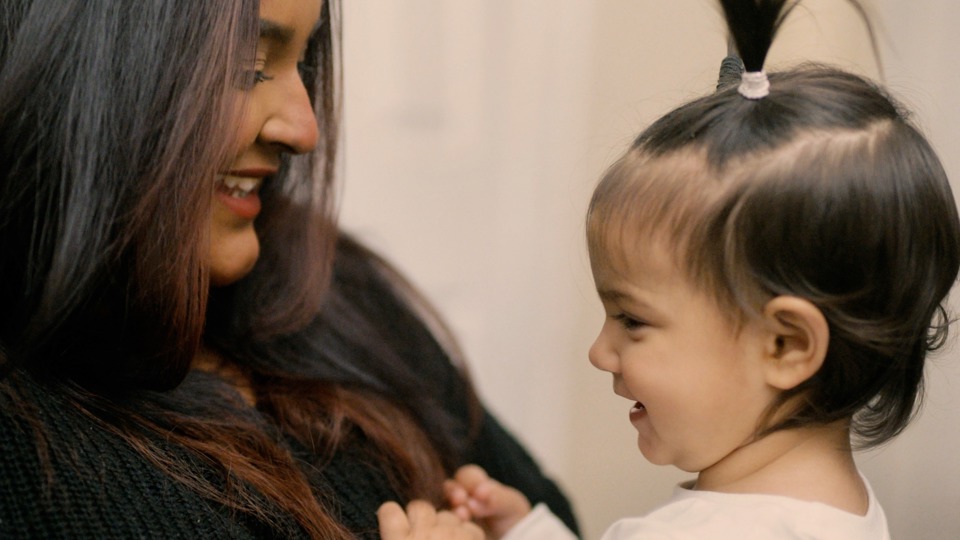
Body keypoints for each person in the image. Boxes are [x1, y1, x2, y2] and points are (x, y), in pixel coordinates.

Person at [377, 0, 960, 538]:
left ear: (784, 344)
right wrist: (531, 531)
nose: (600, 352)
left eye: (632, 320)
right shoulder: (832, 514)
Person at [0, 1, 578, 538]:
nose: (305, 130)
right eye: (249, 66)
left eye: (303, 62)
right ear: (83, 69)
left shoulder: (337, 285)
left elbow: (549, 517)